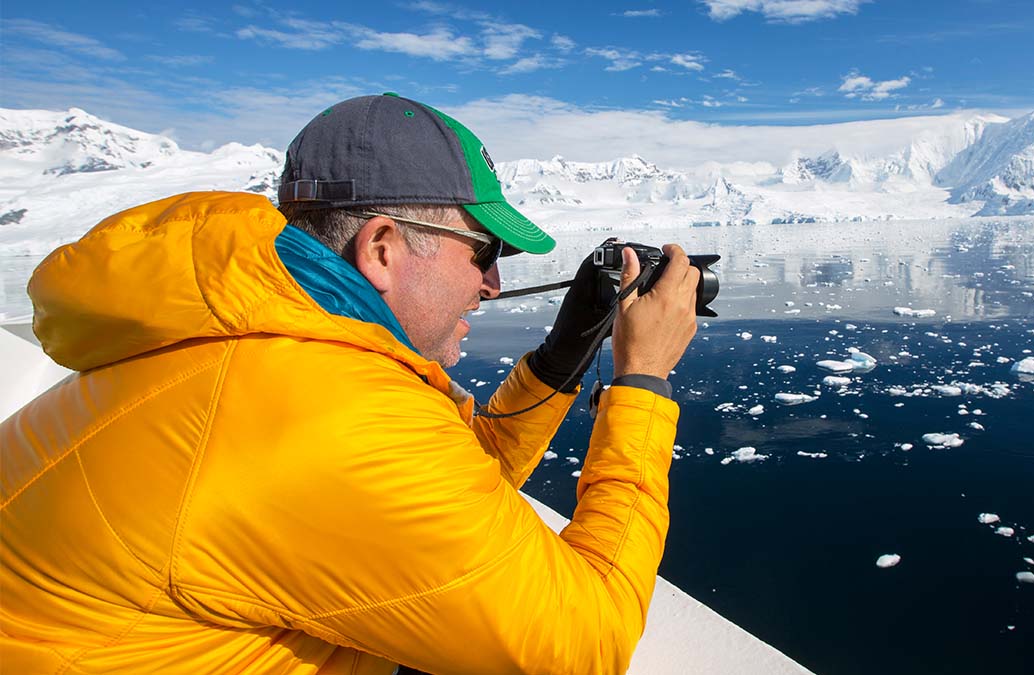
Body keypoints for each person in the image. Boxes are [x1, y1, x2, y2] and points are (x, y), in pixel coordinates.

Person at [0, 94, 699, 674]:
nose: (491, 284)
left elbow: (451, 480)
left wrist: (566, 350)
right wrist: (643, 380)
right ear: (384, 248)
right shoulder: (330, 418)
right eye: (485, 253)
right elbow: (585, 637)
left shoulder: (262, 338)